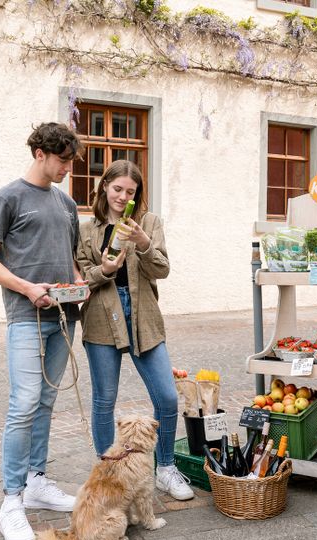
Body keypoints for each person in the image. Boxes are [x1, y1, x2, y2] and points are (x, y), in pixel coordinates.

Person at [0, 122, 87, 540]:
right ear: (40, 153)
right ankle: (12, 499)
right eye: (61, 161)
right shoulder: (6, 198)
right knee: (22, 405)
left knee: (45, 400)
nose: (66, 170)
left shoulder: (66, 203)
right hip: (24, 316)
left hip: (65, 316)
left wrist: (79, 282)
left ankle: (37, 480)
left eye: (69, 163)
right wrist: (26, 288)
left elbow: (70, 258)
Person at [75, 160, 194, 501]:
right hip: (101, 315)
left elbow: (162, 269)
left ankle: (166, 468)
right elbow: (83, 278)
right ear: (104, 187)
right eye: (117, 189)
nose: (122, 196)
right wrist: (105, 270)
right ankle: (106, 472)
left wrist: (143, 242)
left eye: (130, 191)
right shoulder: (88, 229)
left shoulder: (149, 222)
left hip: (143, 315)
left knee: (167, 396)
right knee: (104, 400)